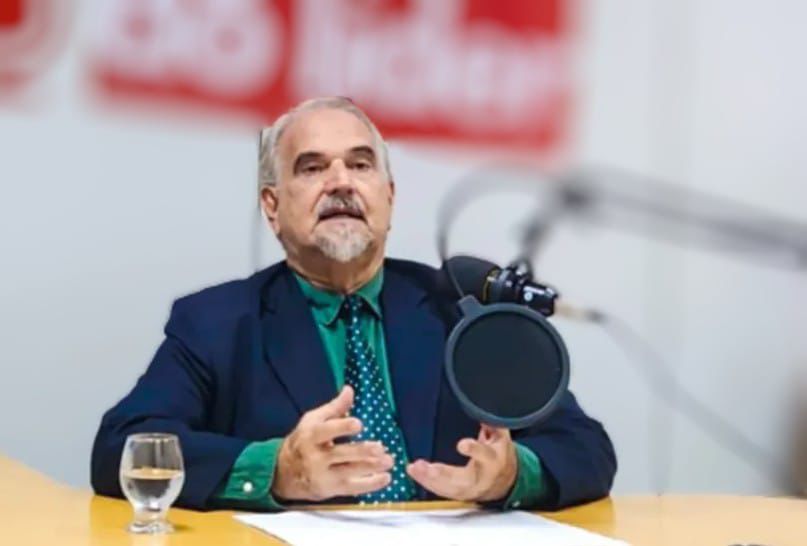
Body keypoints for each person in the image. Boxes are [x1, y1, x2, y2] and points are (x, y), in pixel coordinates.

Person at [91, 97, 616, 511]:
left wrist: (513, 474)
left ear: (389, 197)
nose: (341, 182)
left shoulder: (453, 311)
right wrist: (274, 470)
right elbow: (121, 448)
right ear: (272, 206)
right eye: (312, 168)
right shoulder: (216, 323)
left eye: (360, 165)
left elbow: (586, 446)